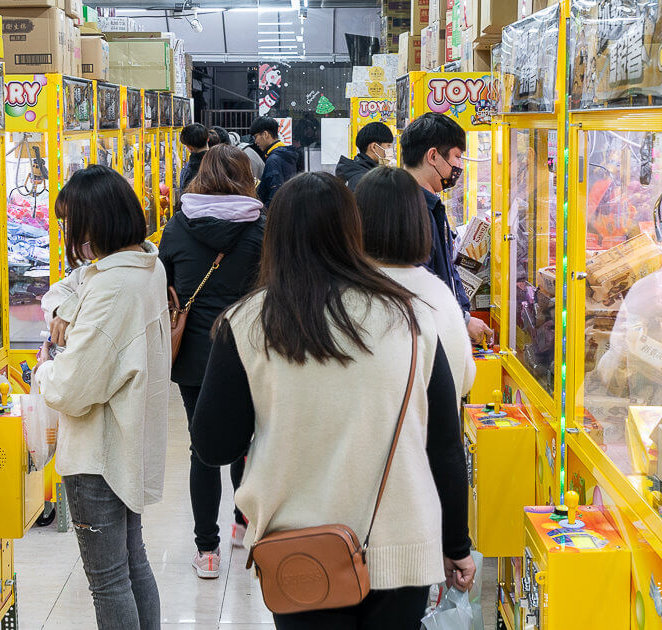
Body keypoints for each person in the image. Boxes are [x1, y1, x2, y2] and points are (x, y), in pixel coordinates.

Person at [191, 172, 475, 629]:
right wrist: (456, 545)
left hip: (299, 552)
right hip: (400, 547)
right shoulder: (413, 317)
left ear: (274, 236)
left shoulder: (246, 324)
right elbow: (444, 443)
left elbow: (213, 446)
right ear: (353, 231)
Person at [35, 164, 169, 630]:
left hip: (100, 455)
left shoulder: (113, 286)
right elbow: (67, 288)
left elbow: (72, 388)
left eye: (72, 224)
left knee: (108, 580)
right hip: (126, 444)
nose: (71, 235)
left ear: (98, 221)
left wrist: (47, 363)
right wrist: (66, 313)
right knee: (133, 564)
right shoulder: (144, 263)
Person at [159, 144, 265, 579]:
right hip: (250, 350)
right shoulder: (262, 226)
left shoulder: (178, 227)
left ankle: (207, 551)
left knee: (201, 449)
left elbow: (163, 286)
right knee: (247, 441)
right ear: (246, 176)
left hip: (196, 355)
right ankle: (244, 523)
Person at [355, 166, 475, 400]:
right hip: (424, 431)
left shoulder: (342, 291)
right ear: (419, 222)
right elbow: (463, 380)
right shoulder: (438, 294)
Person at [401, 112, 493, 345]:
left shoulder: (427, 204)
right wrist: (462, 320)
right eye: (457, 157)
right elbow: (419, 283)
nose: (459, 166)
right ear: (433, 156)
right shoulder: (412, 210)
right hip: (429, 340)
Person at [249, 116, 302, 205]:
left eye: (256, 137)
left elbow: (275, 193)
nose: (255, 142)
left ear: (265, 134)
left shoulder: (273, 159)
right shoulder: (285, 154)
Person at [335, 122, 395, 191]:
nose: (391, 150)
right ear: (374, 147)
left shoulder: (360, 170)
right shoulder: (362, 179)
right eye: (388, 146)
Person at [178, 123, 209, 194]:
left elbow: (184, 195)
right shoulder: (219, 161)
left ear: (189, 147)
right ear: (208, 139)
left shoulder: (189, 170)